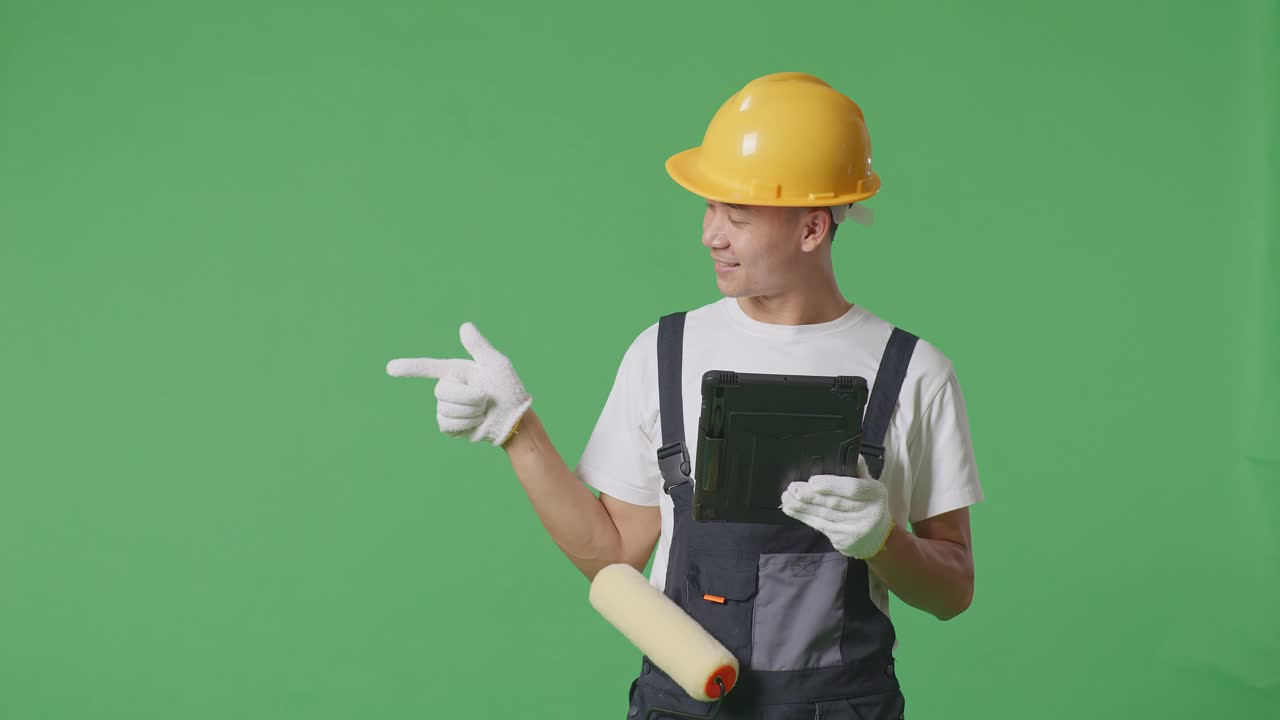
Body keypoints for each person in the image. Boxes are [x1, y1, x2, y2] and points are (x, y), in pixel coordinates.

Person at [387, 72, 983, 720]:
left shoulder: (914, 372)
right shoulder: (664, 353)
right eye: (709, 208)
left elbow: (953, 590)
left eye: (737, 214)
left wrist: (883, 540)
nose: (710, 234)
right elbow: (612, 554)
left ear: (812, 228)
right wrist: (517, 432)